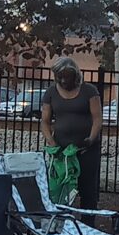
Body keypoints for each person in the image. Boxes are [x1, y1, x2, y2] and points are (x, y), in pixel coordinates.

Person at [41, 57, 103, 224]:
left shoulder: (89, 91)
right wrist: (51, 142)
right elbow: (45, 121)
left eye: (66, 77)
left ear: (76, 75)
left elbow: (97, 118)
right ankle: (60, 225)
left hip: (85, 149)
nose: (63, 80)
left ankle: (87, 226)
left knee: (87, 190)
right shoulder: (51, 92)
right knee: (61, 188)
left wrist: (91, 138)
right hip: (62, 151)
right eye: (59, 77)